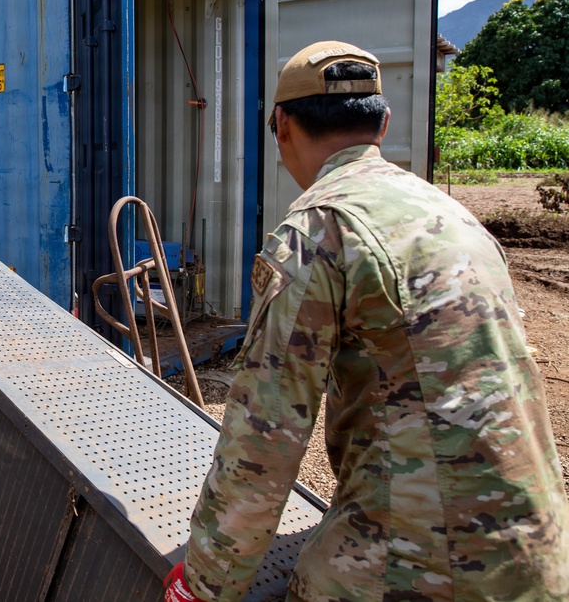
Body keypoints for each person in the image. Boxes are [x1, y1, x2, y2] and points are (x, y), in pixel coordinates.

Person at [164, 41, 569, 602]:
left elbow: (264, 440)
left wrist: (205, 583)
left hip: (420, 573)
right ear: (383, 122)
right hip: (540, 555)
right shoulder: (451, 214)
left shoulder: (320, 231)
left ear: (281, 126)